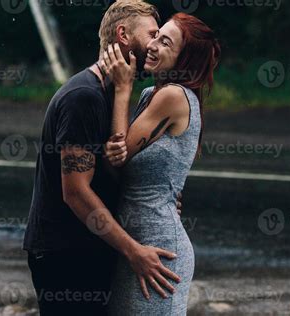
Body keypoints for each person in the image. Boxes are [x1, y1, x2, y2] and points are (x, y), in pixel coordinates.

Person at [22, 1, 183, 315]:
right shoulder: (83, 97)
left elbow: (112, 172)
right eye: (151, 34)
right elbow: (76, 192)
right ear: (123, 35)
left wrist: (159, 197)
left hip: (90, 247)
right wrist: (134, 251)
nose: (154, 44)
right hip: (64, 254)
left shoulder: (112, 94)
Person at [101, 13, 221, 315]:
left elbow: (119, 155)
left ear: (183, 59)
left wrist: (122, 88)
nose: (152, 45)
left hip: (158, 250)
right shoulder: (151, 95)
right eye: (156, 36)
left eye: (165, 42)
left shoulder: (174, 97)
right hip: (135, 244)